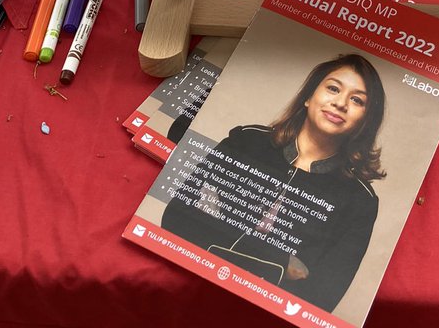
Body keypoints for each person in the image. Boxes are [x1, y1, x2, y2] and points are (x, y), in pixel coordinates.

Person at [161, 54, 386, 312]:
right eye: (333, 88)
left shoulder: (360, 200)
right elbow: (175, 218)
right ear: (309, 96)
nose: (340, 103)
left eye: (357, 100)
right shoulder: (246, 141)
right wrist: (281, 261)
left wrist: (218, 224)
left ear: (365, 120)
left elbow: (321, 298)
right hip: (184, 282)